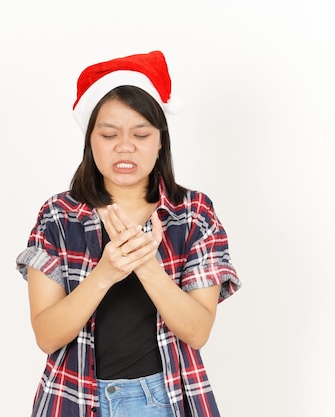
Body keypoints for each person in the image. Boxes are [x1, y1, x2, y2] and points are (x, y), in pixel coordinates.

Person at [15, 51, 241, 417]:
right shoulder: (58, 217)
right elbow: (47, 335)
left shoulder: (194, 214)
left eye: (140, 134)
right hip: (71, 398)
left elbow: (197, 331)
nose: (125, 146)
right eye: (109, 134)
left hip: (164, 400)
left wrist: (147, 266)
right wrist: (105, 273)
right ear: (91, 140)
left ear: (160, 141)